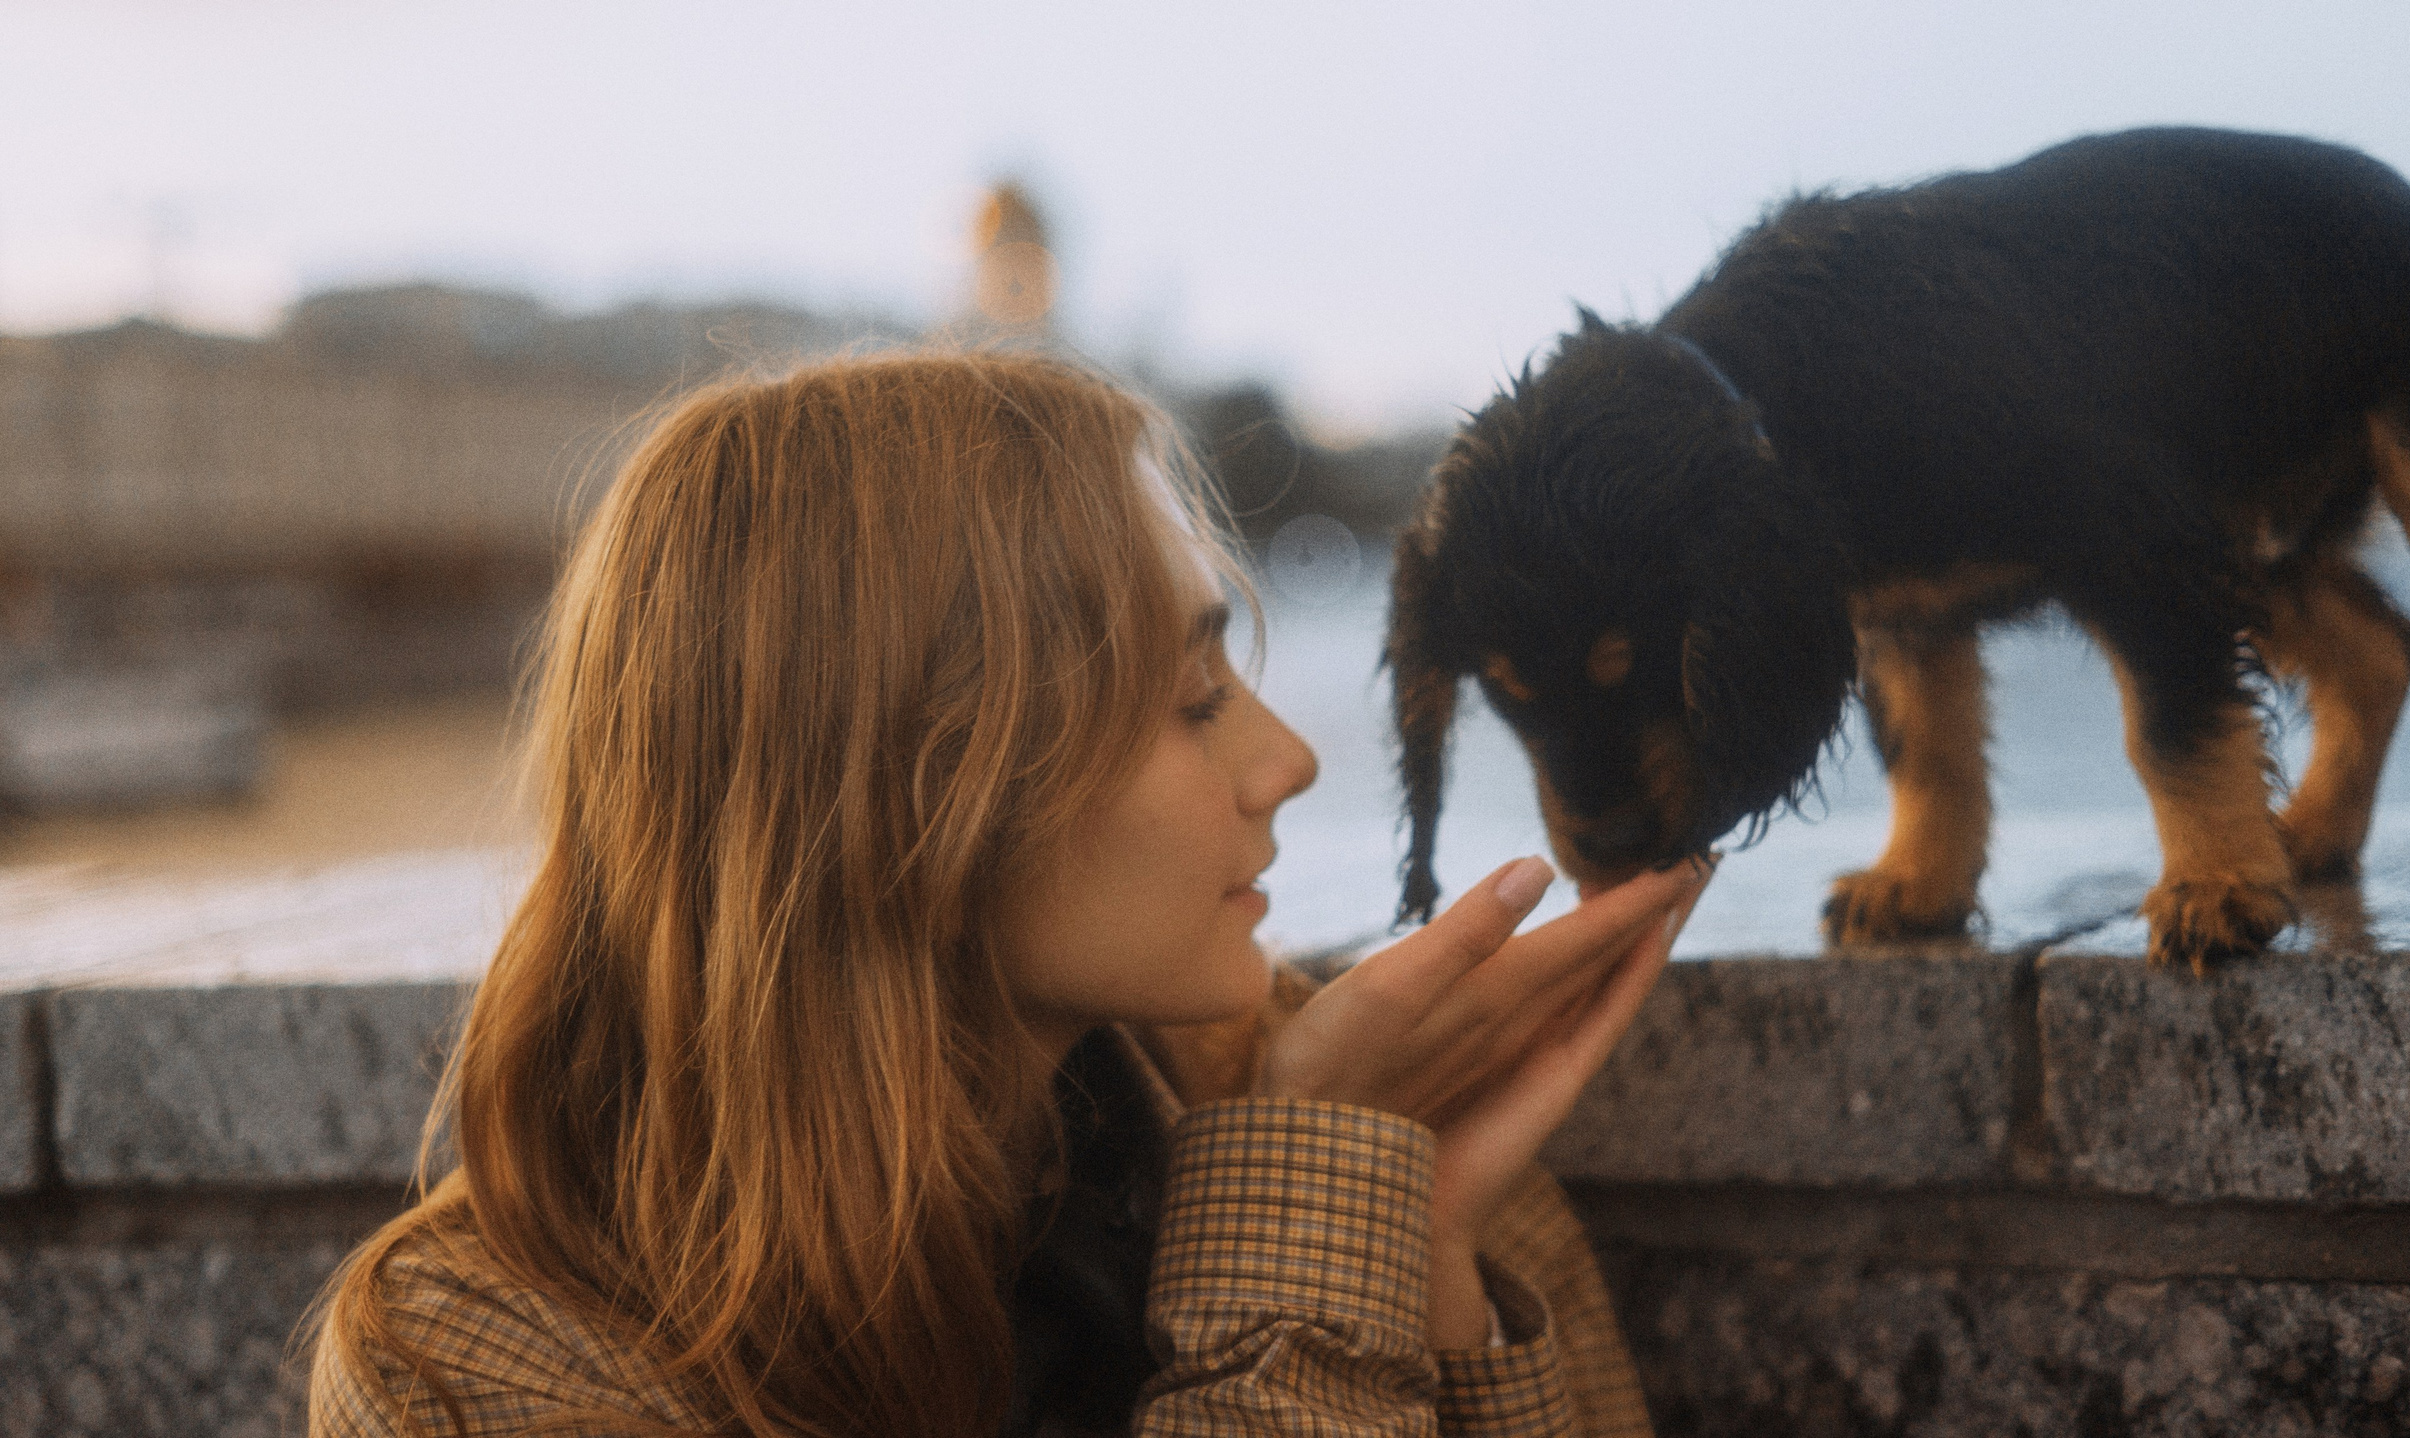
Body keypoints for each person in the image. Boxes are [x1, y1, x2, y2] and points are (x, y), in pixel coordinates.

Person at [305, 351, 1708, 1437]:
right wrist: (1299, 1252)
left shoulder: (1342, 1102)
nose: (1285, 760)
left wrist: (1426, 1253)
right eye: (1194, 698)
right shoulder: (467, 1362)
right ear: (910, 797)